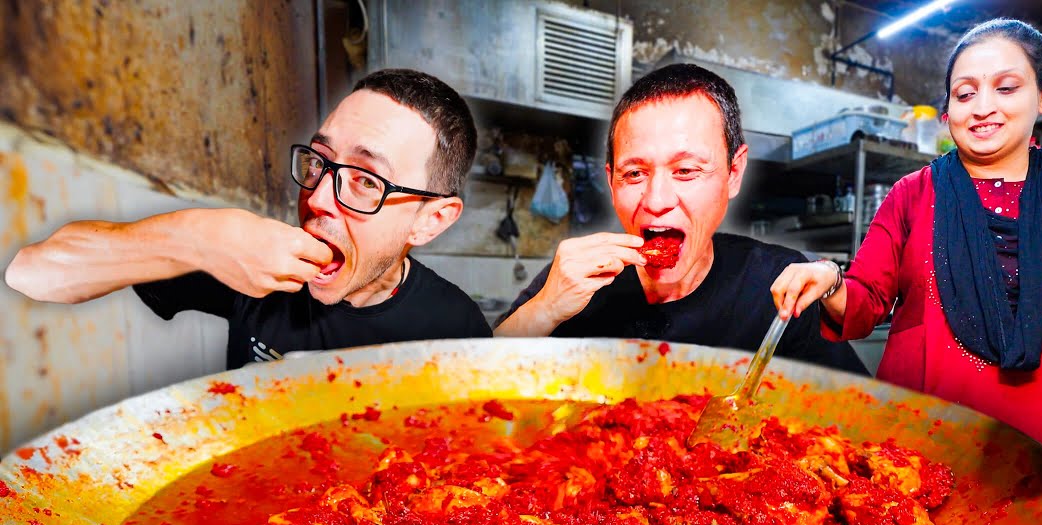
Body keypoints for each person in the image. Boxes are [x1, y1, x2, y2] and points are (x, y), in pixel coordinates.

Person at [770, 19, 1042, 525]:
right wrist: (830, 280)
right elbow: (864, 302)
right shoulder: (913, 194)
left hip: (1040, 452)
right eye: (965, 92)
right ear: (949, 109)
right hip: (915, 450)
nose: (983, 106)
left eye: (1006, 87)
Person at [4, 68, 491, 369]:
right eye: (319, 161)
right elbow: (32, 274)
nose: (318, 198)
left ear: (432, 221)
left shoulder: (456, 323)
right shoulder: (249, 258)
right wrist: (201, 237)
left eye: (366, 180)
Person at [494, 63, 867, 376]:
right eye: (634, 174)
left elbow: (858, 413)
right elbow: (472, 382)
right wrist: (544, 309)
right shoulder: (574, 282)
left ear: (733, 173)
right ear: (611, 181)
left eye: (686, 170)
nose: (656, 201)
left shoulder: (780, 284)